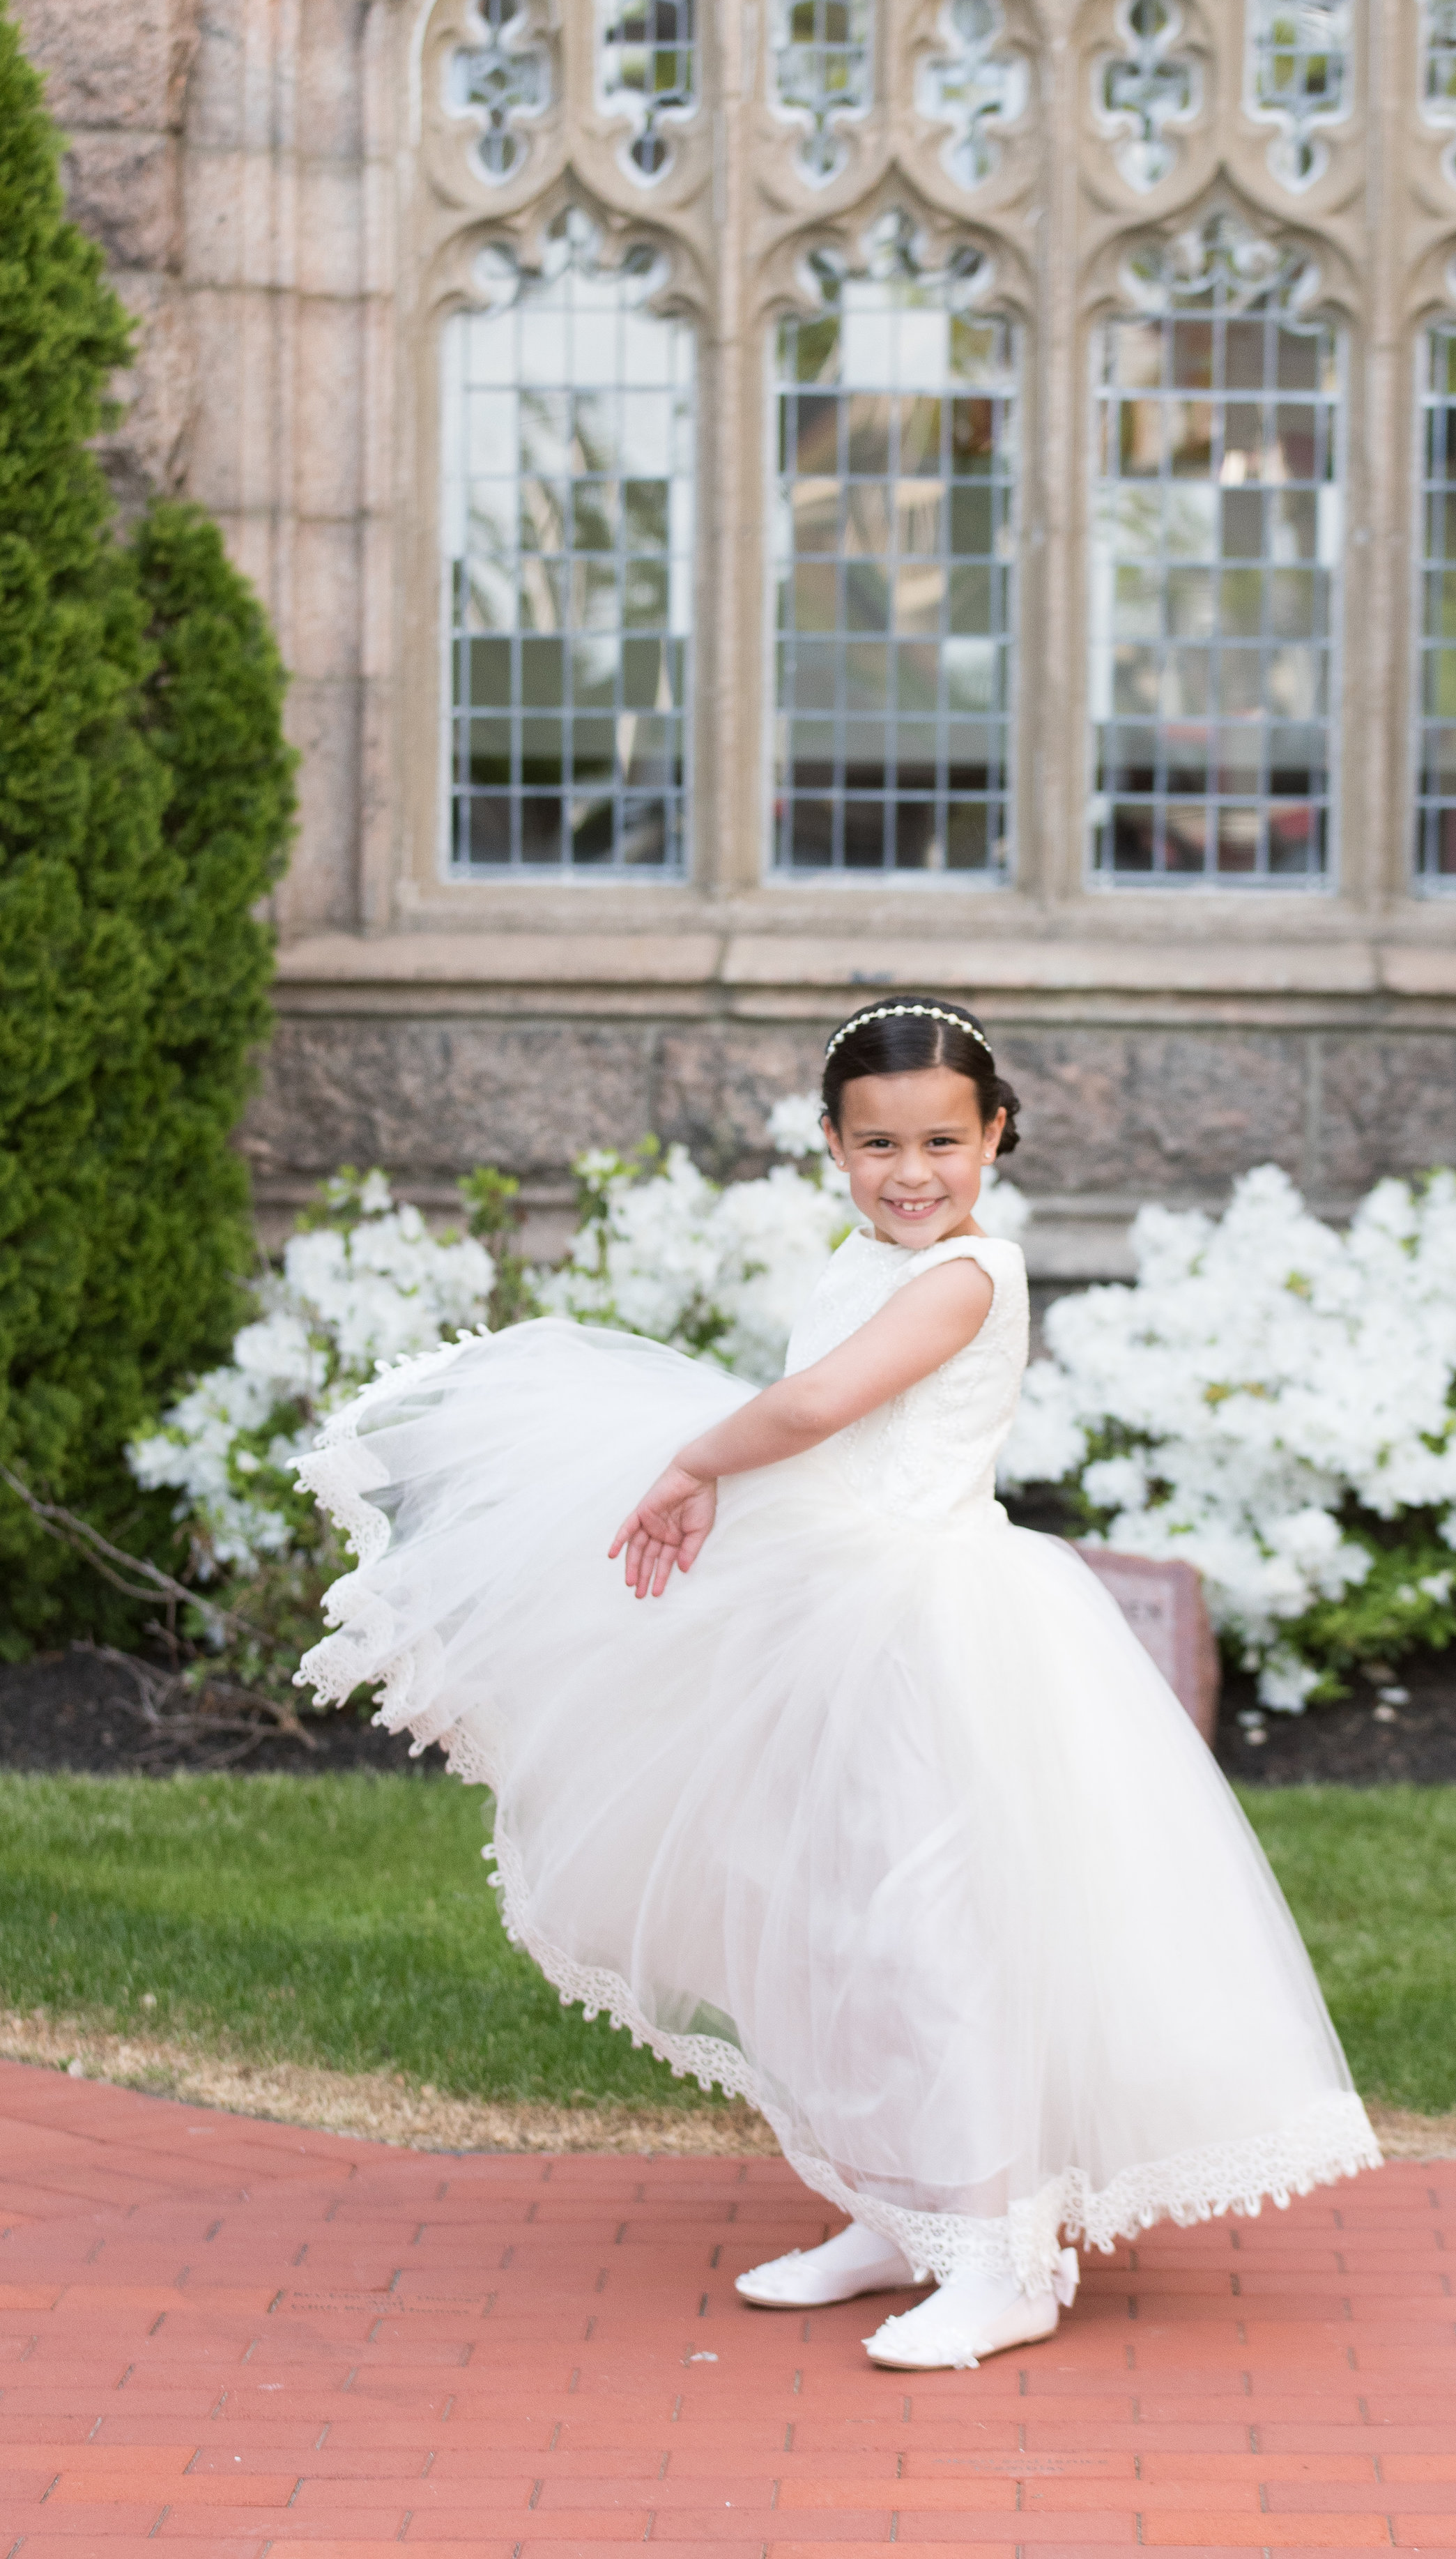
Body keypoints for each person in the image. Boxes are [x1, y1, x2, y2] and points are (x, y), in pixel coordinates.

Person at [294, 996, 1380, 2372]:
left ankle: (1001, 2255)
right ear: (830, 1142)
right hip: (829, 1625)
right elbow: (810, 1427)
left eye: (940, 1139)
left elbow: (810, 1411)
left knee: (934, 1932)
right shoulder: (859, 1259)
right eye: (876, 1144)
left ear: (993, 1135)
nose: (909, 1170)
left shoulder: (969, 1276)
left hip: (936, 1631)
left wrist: (691, 1464)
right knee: (834, 1924)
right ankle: (896, 2207)